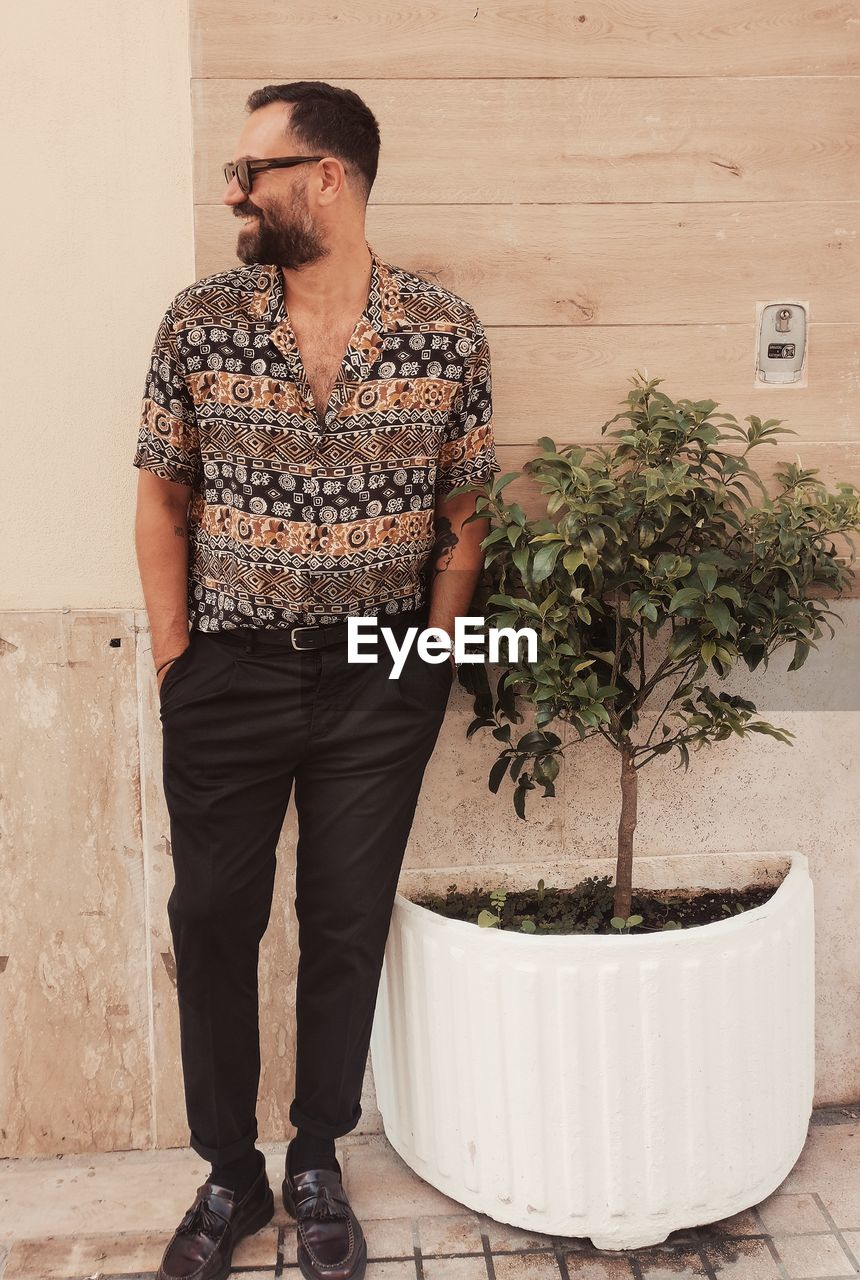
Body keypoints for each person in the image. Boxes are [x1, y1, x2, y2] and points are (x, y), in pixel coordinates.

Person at [134, 80, 500, 1280]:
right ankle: (227, 1171)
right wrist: (178, 658)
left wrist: (432, 660)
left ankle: (314, 1156)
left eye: (253, 171)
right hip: (227, 673)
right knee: (213, 918)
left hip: (375, 682)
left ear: (326, 178)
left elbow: (462, 512)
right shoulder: (200, 321)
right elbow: (163, 497)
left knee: (342, 925)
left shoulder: (444, 330)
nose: (233, 191)